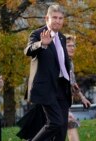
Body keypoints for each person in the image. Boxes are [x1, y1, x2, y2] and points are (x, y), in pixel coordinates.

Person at [24, 4, 72, 141]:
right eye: (54, 17)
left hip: (62, 87)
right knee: (55, 122)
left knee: (62, 127)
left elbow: (62, 63)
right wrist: (42, 44)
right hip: (46, 88)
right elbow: (28, 50)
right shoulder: (37, 34)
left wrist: (71, 81)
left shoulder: (62, 38)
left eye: (60, 18)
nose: (57, 21)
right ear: (47, 18)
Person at [65, 34, 91, 141]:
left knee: (68, 125)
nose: (72, 48)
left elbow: (72, 82)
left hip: (63, 102)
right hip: (55, 101)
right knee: (70, 123)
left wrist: (82, 97)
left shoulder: (70, 62)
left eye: (73, 45)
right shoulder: (60, 62)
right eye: (69, 45)